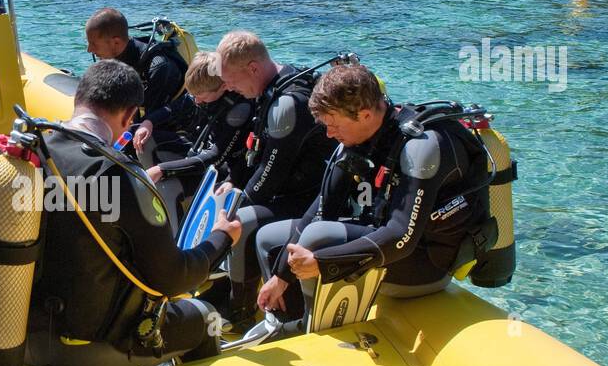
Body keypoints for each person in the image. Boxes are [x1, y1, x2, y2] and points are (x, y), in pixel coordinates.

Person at [26, 59, 241, 366]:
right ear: (128, 116)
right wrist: (221, 238)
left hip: (21, 338)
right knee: (205, 315)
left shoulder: (33, 156)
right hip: (93, 346)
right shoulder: (121, 177)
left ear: (78, 99)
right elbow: (173, 278)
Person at [254, 63, 494, 320]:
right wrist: (281, 276)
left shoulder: (421, 148)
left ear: (366, 115)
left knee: (317, 237)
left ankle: (315, 329)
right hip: (384, 245)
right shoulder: (356, 137)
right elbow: (323, 207)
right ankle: (289, 323)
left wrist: (323, 262)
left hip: (425, 264)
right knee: (268, 238)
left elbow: (401, 237)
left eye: (333, 125)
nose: (328, 133)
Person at [214, 31, 337, 325]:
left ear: (253, 68)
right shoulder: (272, 86)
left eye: (231, 80)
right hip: (293, 189)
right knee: (237, 208)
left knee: (241, 221)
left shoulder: (286, 105)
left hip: (310, 198)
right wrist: (234, 182)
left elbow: (270, 175)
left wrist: (232, 207)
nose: (228, 87)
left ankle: (244, 313)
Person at [142, 50, 255, 202]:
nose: (196, 101)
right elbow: (171, 109)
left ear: (223, 86)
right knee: (143, 137)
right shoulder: (203, 91)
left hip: (223, 167)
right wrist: (147, 123)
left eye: (201, 97)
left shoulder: (238, 110)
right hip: (198, 149)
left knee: (167, 188)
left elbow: (215, 157)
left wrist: (163, 170)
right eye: (193, 95)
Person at [84, 7, 195, 154]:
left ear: (116, 42)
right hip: (145, 120)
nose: (89, 49)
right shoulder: (118, 59)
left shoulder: (158, 67)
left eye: (94, 44)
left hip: (177, 128)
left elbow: (148, 122)